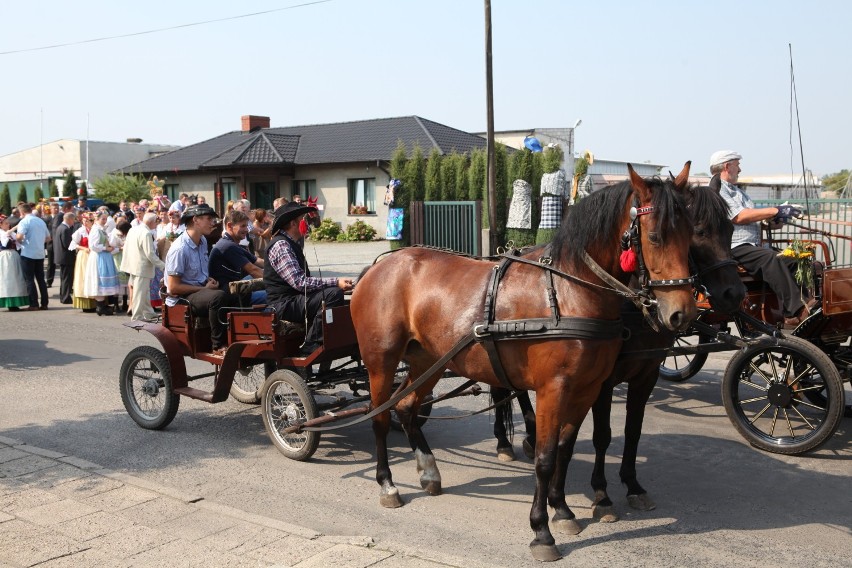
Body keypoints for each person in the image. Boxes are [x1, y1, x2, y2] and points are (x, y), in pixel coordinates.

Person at [711, 150, 812, 327]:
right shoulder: (717, 189)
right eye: (737, 165)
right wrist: (775, 210)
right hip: (732, 246)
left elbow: (754, 218)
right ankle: (797, 309)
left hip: (751, 246)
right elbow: (739, 217)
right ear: (727, 166)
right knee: (771, 259)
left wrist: (777, 219)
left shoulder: (739, 192)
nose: (740, 169)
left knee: (794, 259)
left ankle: (802, 307)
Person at [264, 202, 353, 353]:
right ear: (293, 223)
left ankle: (337, 341)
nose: (307, 223)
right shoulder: (281, 245)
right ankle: (310, 345)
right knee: (333, 294)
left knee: (341, 296)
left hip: (295, 299)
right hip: (283, 304)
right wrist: (336, 282)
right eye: (303, 219)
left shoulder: (291, 243)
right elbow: (300, 283)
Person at [164, 204, 233, 353]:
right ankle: (218, 346)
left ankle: (235, 338)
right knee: (218, 297)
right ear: (195, 220)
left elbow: (199, 273)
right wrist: (204, 288)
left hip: (199, 292)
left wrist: (208, 280)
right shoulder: (179, 248)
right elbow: (174, 288)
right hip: (182, 298)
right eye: (209, 219)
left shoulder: (202, 242)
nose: (212, 222)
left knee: (234, 289)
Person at [209, 210, 264, 304]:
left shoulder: (231, 244)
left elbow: (258, 261)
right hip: (231, 295)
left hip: (236, 287)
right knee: (275, 295)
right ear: (230, 226)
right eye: (243, 226)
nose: (246, 230)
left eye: (247, 226)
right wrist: (278, 282)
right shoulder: (228, 246)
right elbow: (253, 270)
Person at [121, 212, 165, 322]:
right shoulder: (146, 233)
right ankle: (137, 316)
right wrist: (163, 266)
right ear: (151, 222)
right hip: (142, 267)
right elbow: (149, 253)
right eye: (156, 222)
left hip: (133, 265)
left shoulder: (133, 229)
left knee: (144, 291)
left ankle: (149, 313)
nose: (157, 224)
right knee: (140, 292)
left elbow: (127, 247)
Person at [84, 212, 121, 315]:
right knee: (99, 280)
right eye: (102, 219)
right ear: (97, 219)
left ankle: (102, 305)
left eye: (105, 219)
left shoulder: (101, 229)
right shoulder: (95, 230)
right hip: (99, 257)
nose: (104, 221)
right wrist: (106, 248)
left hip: (104, 256)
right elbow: (93, 246)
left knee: (103, 281)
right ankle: (100, 306)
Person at [15, 203, 51, 311]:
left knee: (29, 280)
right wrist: (39, 242)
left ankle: (33, 303)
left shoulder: (24, 221)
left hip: (28, 253)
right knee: (41, 279)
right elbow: (48, 238)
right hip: (39, 253)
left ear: (21, 212)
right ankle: (44, 303)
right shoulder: (40, 221)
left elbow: (20, 237)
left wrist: (16, 238)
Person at [0, 214, 29, 311]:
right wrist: (9, 232)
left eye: (8, 223)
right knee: (8, 279)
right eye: (5, 223)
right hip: (5, 256)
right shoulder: (1, 233)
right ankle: (9, 303)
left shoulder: (10, 233)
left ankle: (16, 302)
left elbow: (18, 242)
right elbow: (5, 243)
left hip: (14, 256)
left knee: (16, 278)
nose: (8, 225)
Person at [70, 213, 97, 312]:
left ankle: (96, 302)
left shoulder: (95, 230)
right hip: (84, 256)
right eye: (84, 221)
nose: (85, 223)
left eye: (87, 221)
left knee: (93, 277)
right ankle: (85, 304)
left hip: (94, 255)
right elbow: (73, 244)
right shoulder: (80, 231)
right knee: (83, 277)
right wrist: (83, 248)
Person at [53, 211, 78, 304]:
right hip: (66, 258)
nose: (74, 222)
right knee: (67, 279)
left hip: (62, 257)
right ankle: (66, 297)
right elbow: (67, 244)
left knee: (64, 278)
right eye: (73, 220)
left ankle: (63, 296)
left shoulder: (60, 227)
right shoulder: (65, 229)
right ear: (69, 219)